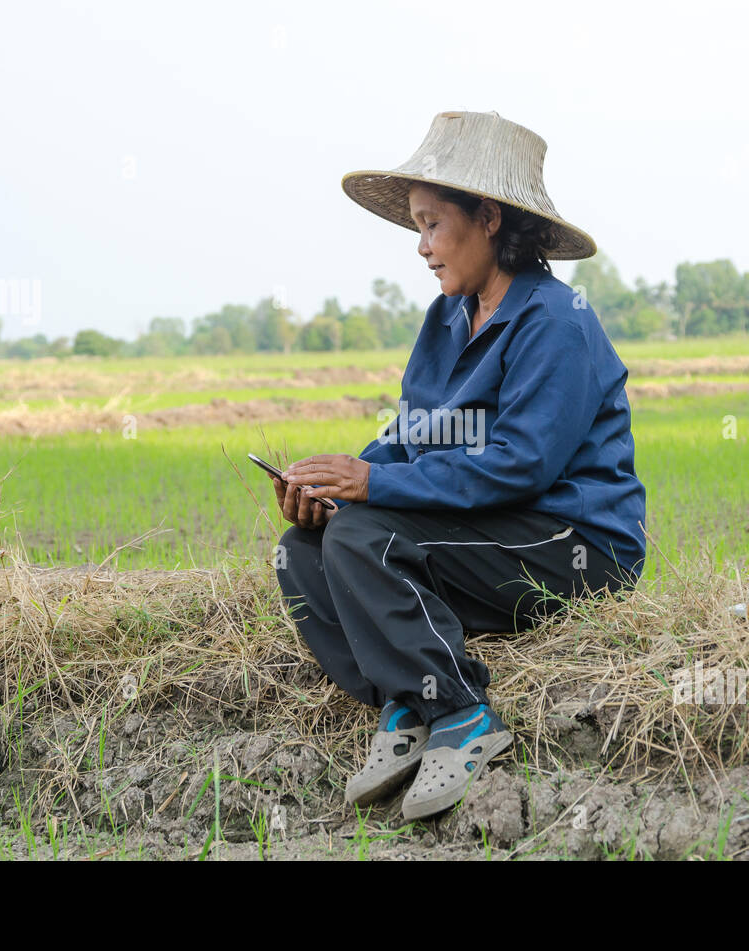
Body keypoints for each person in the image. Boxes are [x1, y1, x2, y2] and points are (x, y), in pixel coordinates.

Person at [271, 110, 646, 821]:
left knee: (365, 536)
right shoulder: (447, 317)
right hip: (491, 533)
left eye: (432, 224)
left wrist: (373, 488)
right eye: (416, 227)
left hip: (572, 542)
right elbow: (416, 434)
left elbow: (520, 465)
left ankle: (465, 714)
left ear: (490, 218)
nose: (421, 247)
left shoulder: (556, 322)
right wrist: (339, 484)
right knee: (304, 551)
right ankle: (405, 705)